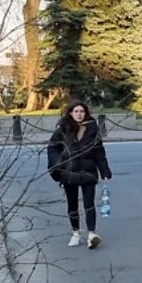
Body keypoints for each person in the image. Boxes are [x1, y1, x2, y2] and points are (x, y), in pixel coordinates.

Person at [47, 100, 112, 249]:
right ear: (70, 113)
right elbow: (52, 149)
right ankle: (75, 233)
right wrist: (58, 164)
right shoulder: (62, 130)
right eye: (76, 111)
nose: (79, 114)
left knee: (89, 204)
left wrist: (104, 171)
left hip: (88, 171)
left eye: (82, 111)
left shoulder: (92, 129)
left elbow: (99, 151)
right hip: (69, 172)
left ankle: (91, 234)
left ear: (86, 113)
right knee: (73, 204)